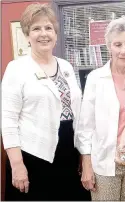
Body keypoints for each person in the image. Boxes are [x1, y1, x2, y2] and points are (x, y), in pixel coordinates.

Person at [2, 3, 90, 201]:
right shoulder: (16, 68)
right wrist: (17, 165)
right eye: (36, 28)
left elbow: (79, 112)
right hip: (33, 155)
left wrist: (84, 157)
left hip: (69, 152)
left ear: (56, 34)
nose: (44, 33)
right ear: (27, 35)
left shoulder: (66, 66)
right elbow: (8, 120)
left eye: (48, 28)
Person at [76, 16, 125, 201]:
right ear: (109, 46)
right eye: (118, 44)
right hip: (104, 164)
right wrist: (87, 165)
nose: (124, 51)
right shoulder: (95, 79)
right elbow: (85, 127)